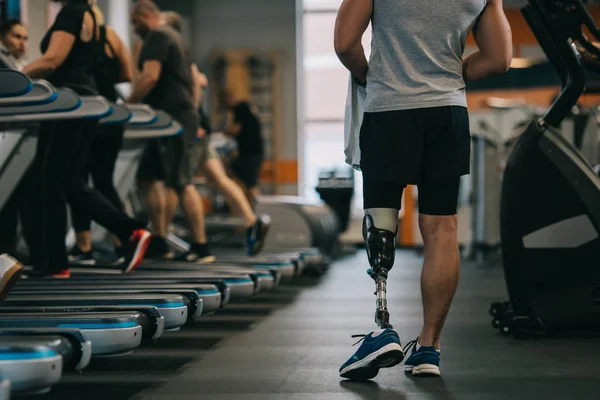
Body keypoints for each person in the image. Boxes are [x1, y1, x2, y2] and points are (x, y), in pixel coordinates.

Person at [334, 0, 512, 379]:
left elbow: (345, 44)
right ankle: (429, 347)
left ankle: (383, 329)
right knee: (442, 229)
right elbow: (498, 59)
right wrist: (454, 71)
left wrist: (371, 76)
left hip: (389, 109)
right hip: (447, 112)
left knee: (381, 223)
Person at [20, 0, 151, 278]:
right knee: (63, 181)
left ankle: (58, 263)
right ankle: (125, 232)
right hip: (82, 100)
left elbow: (52, 59)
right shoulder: (93, 15)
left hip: (68, 102)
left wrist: (17, 78)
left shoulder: (72, 12)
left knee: (53, 180)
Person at [162, 10, 271, 255]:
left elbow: (199, 82)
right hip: (202, 131)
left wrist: (190, 113)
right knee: (219, 179)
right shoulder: (182, 56)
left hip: (192, 129)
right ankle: (251, 222)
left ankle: (181, 240)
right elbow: (202, 81)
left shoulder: (175, 55)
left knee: (179, 183)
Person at [129, 0, 213, 262]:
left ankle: (201, 245)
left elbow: (150, 76)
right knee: (148, 177)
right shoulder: (175, 36)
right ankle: (159, 240)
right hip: (167, 118)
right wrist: (194, 113)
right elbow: (195, 82)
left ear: (146, 16)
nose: (134, 29)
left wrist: (128, 104)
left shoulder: (157, 35)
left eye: (135, 23)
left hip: (171, 119)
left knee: (181, 182)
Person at [68, 2, 137, 264]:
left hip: (88, 111)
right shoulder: (111, 37)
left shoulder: (78, 33)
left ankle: (85, 248)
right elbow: (128, 74)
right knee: (104, 181)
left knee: (76, 181)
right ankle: (124, 244)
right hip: (111, 111)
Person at [0, 19, 29, 257]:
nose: (21, 43)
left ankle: (11, 252)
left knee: (17, 195)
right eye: (16, 37)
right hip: (5, 133)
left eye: (25, 38)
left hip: (20, 134)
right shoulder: (4, 62)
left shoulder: (23, 64)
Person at [225, 91, 265, 200]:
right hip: (256, 152)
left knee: (249, 183)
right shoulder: (249, 107)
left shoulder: (240, 108)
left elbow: (236, 129)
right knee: (249, 182)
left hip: (250, 153)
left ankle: (252, 206)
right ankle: (248, 203)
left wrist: (225, 133)